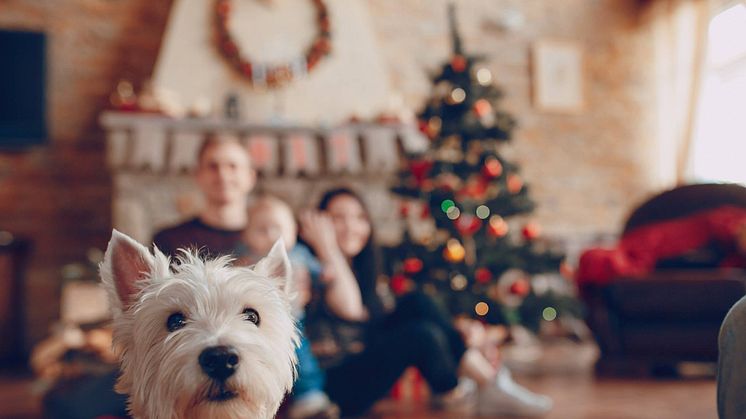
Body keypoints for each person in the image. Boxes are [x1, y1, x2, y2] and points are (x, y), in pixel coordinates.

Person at [299, 187, 553, 417]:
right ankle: (481, 387)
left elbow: (379, 318)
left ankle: (488, 383)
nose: (351, 226)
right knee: (420, 336)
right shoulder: (311, 265)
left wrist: (458, 329)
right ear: (319, 223)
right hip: (333, 386)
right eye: (337, 218)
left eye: (358, 218)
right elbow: (350, 309)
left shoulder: (365, 268)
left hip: (365, 361)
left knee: (418, 302)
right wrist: (327, 247)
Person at [237, 195, 339, 419]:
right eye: (261, 230)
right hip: (254, 326)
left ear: (293, 231)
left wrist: (326, 273)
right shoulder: (245, 259)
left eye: (278, 228)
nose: (272, 236)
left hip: (294, 320)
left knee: (303, 359)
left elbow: (319, 272)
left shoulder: (300, 255)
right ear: (246, 235)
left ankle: (310, 396)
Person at [153, 134, 256, 257]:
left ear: (250, 177)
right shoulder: (167, 240)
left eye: (232, 166)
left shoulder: (269, 240)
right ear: (198, 176)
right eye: (213, 166)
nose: (223, 175)